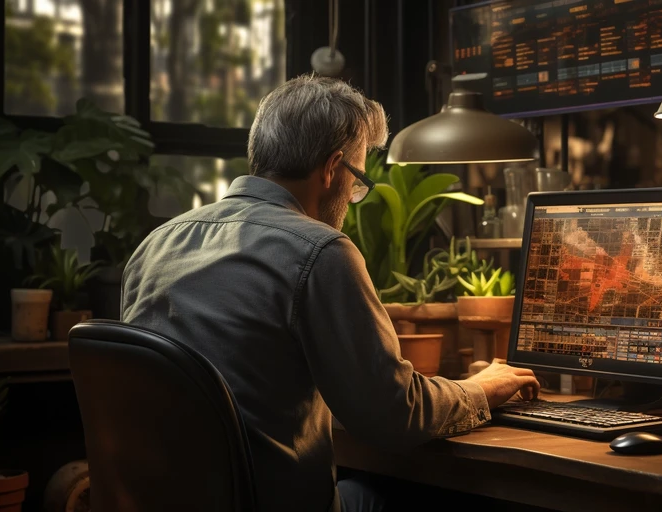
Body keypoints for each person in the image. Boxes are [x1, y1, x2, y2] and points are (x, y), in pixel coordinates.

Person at [121, 75, 540, 512]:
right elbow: (394, 415)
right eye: (358, 178)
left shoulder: (156, 244)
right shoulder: (319, 251)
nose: (353, 193)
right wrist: (480, 389)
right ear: (331, 168)